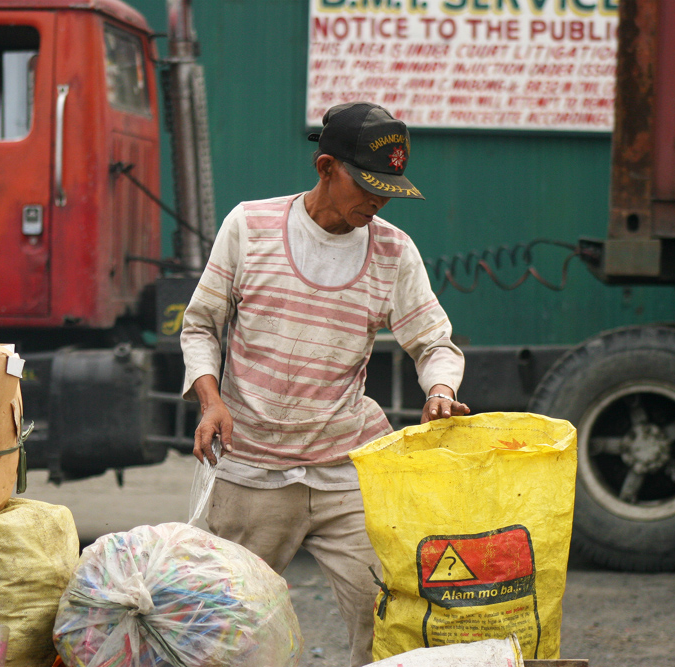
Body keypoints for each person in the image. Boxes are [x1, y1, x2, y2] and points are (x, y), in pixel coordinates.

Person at [180, 102, 469, 667]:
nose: (378, 200)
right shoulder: (249, 225)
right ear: (325, 166)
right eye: (366, 185)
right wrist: (210, 402)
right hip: (252, 467)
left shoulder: (393, 251)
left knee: (386, 609)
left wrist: (439, 390)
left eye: (388, 188)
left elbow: (435, 341)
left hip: (347, 469)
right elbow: (200, 324)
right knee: (225, 621)